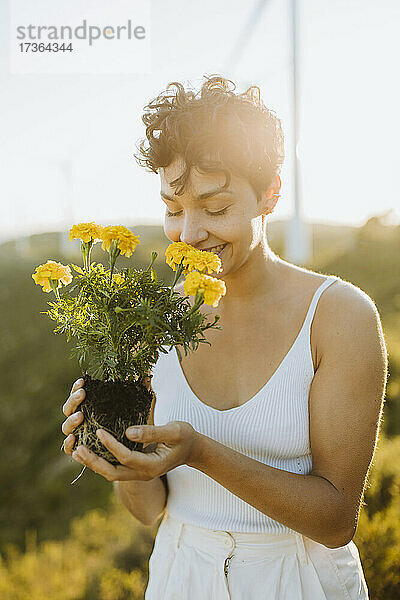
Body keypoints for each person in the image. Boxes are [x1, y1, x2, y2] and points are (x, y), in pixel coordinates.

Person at [61, 76, 387, 599]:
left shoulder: (338, 317)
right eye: (172, 208)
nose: (189, 234)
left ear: (270, 194)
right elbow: (152, 510)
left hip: (299, 581)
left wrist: (199, 451)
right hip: (181, 575)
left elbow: (334, 520)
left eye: (215, 209)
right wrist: (119, 457)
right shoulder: (158, 319)